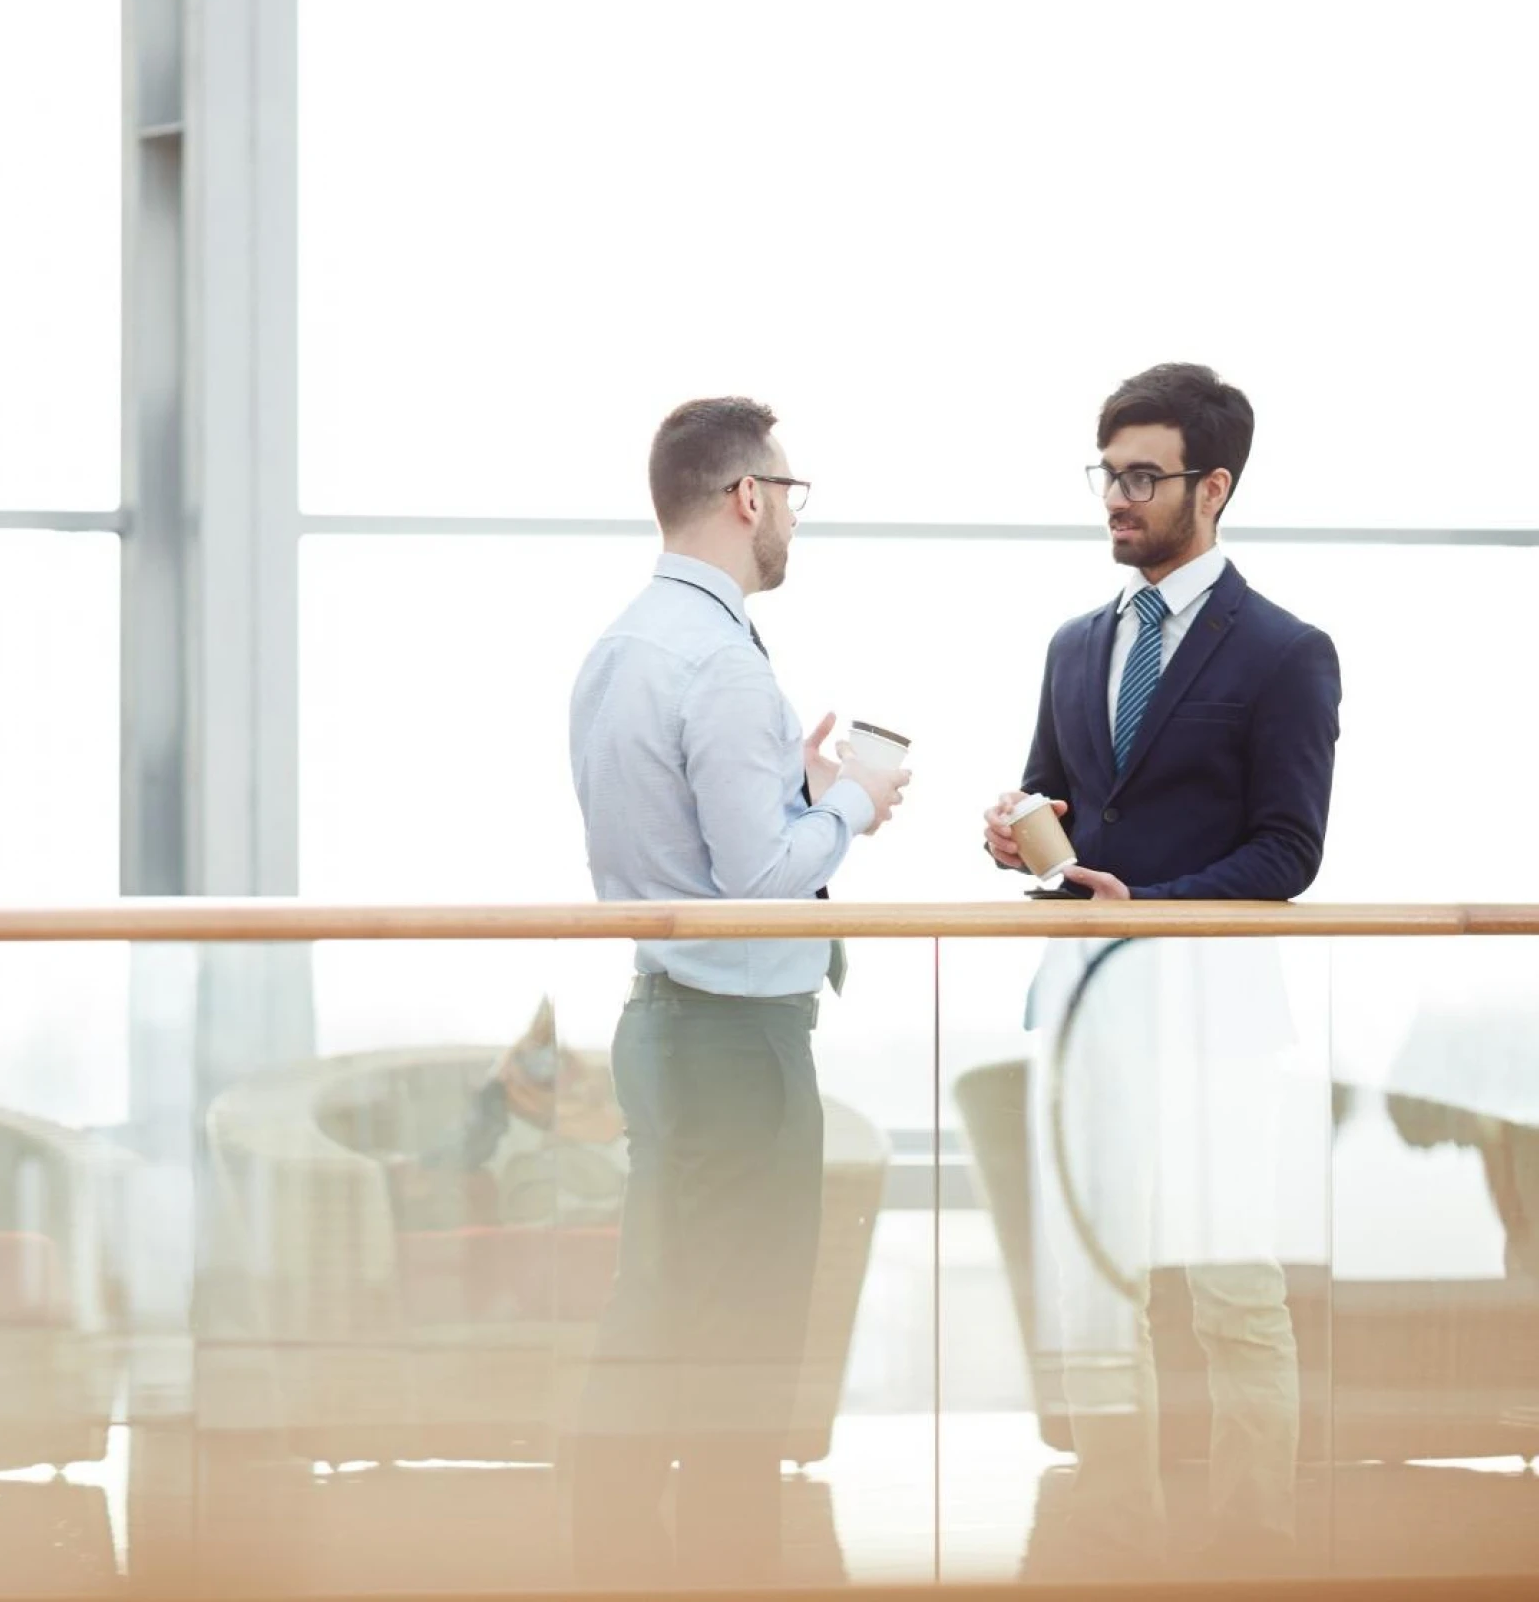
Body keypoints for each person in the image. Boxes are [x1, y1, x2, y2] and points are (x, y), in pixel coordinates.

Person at [981, 362, 1342, 1576]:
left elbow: (1288, 851)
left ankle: (1254, 1548)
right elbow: (1063, 802)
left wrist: (1153, 909)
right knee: (1097, 1298)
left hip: (1217, 1015)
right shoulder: (1075, 643)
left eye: (1143, 476)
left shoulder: (1287, 653)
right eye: (1109, 474)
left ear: (1214, 486)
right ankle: (1117, 1546)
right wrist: (1019, 834)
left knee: (1234, 1292)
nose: (1117, 499)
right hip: (1087, 1016)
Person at [567, 395, 907, 1586]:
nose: (793, 524)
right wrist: (852, 805)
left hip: (661, 1025)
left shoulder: (622, 646)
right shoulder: (715, 660)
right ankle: (727, 1571)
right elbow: (760, 879)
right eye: (790, 495)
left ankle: (609, 1558)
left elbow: (681, 846)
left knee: (660, 1310)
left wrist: (792, 788)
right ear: (745, 497)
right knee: (744, 1337)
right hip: (738, 1047)